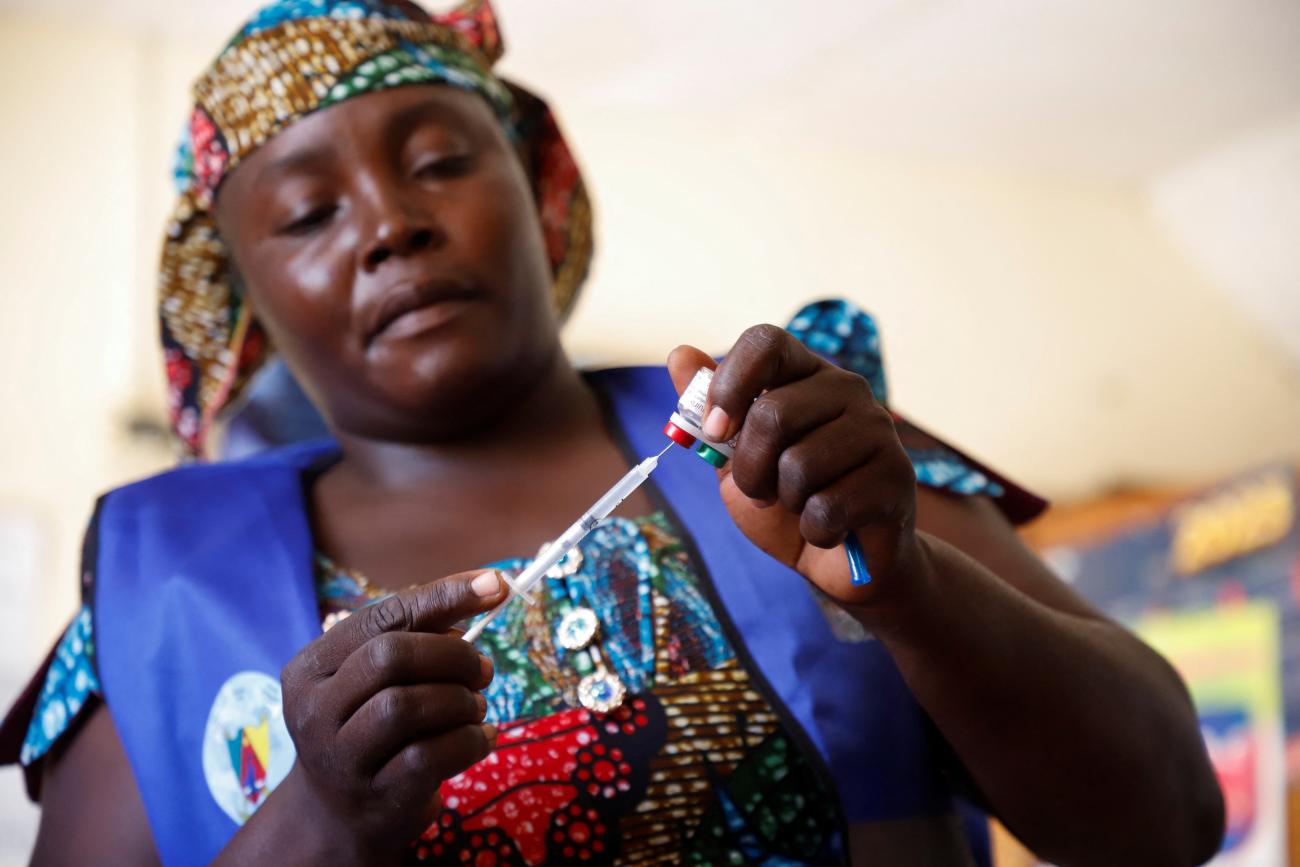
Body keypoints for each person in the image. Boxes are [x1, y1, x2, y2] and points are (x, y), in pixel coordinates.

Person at [0, 1, 1223, 864]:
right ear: (246, 308)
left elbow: (1167, 823)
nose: (389, 225)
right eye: (310, 214)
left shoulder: (788, 430)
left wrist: (901, 582)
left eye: (436, 161)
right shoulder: (158, 584)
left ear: (537, 192)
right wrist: (319, 816)